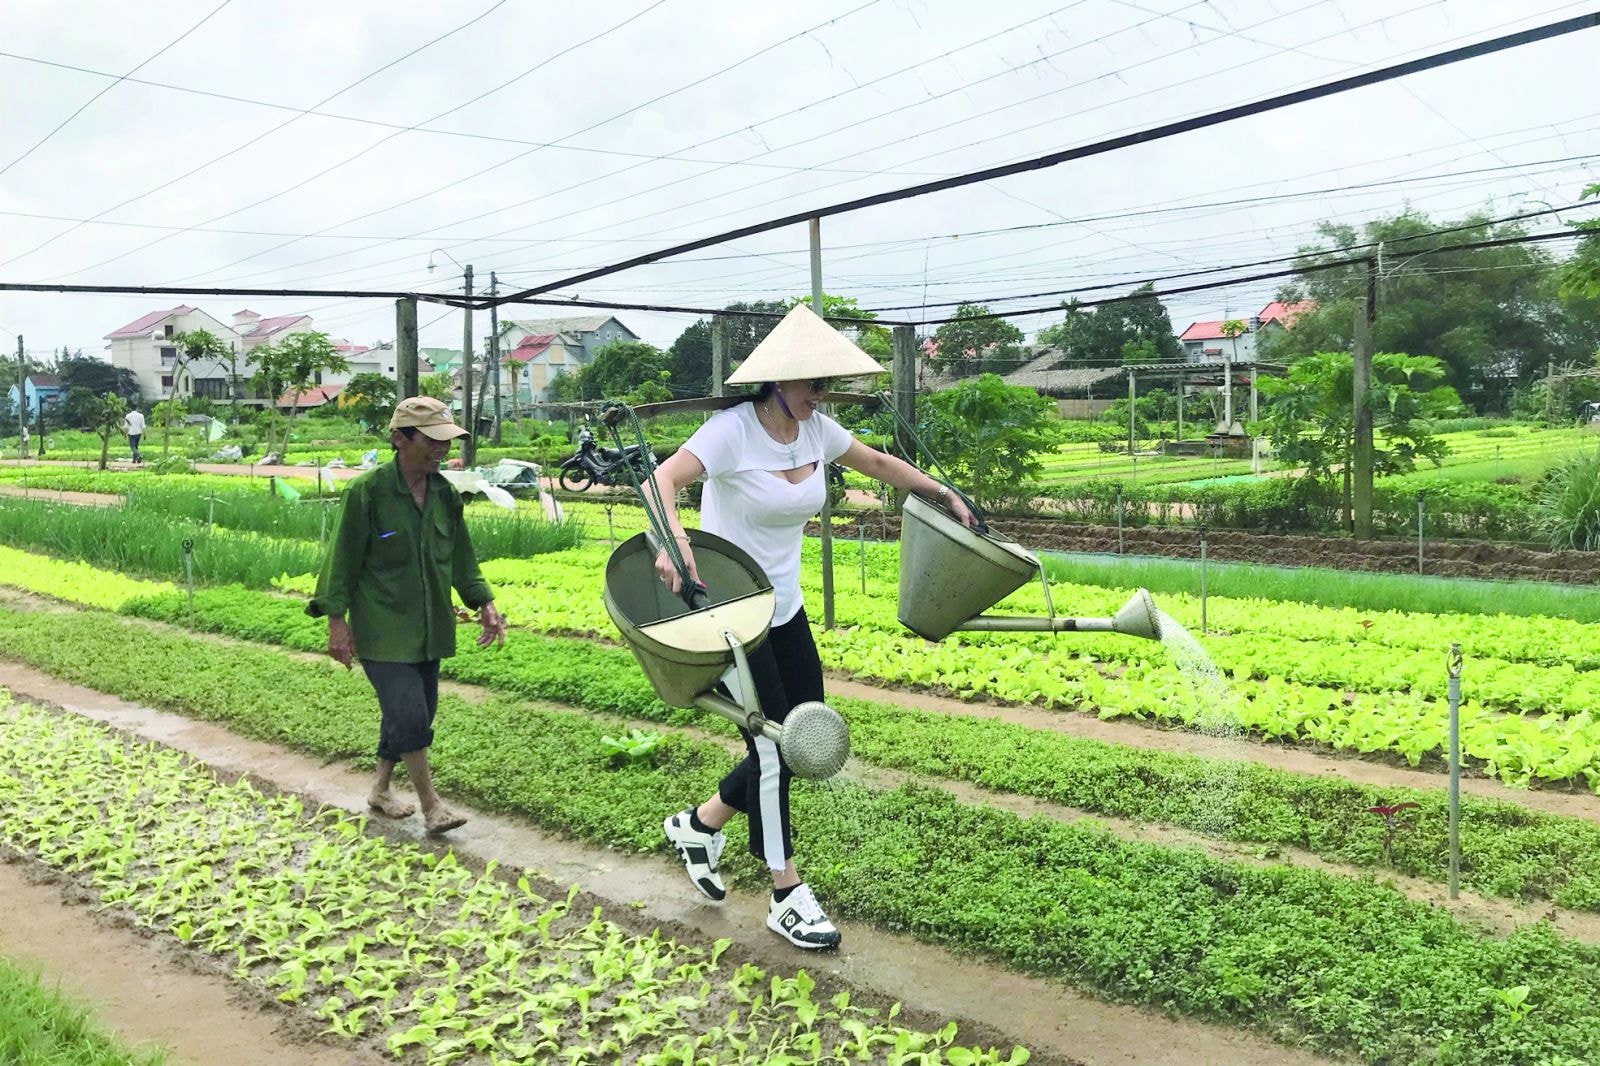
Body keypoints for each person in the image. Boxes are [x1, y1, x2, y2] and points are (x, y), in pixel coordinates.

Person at [648, 303, 975, 951]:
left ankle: (699, 824)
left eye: (824, 385)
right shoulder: (731, 433)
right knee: (772, 746)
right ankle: (784, 893)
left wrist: (941, 491)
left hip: (785, 607)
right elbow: (663, 480)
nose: (818, 395)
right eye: (810, 384)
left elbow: (878, 464)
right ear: (775, 380)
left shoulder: (817, 430)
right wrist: (674, 540)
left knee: (806, 739)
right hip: (732, 612)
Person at [307, 396, 508, 834]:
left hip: (430, 627)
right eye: (432, 440)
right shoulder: (368, 492)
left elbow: (461, 558)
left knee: (415, 712)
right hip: (382, 627)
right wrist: (336, 623)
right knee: (410, 714)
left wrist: (485, 603)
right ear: (400, 439)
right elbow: (341, 559)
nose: (441, 449)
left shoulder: (444, 495)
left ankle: (380, 789)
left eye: (445, 441)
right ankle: (431, 805)